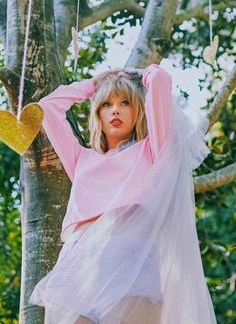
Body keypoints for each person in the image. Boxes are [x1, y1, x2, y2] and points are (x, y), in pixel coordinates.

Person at [29, 64, 217, 324]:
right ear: (97, 114)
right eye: (106, 104)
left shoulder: (152, 151)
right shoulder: (81, 159)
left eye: (125, 102)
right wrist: (93, 84)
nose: (115, 109)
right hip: (82, 264)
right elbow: (48, 107)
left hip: (132, 258)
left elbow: (160, 79)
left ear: (138, 110)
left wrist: (135, 73)